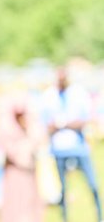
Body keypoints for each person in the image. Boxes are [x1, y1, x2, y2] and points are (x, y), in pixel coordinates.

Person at [42, 67, 102, 222]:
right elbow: (46, 124)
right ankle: (64, 218)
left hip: (78, 147)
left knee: (93, 185)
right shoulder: (49, 95)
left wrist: (65, 124)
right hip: (59, 149)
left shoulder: (78, 93)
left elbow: (85, 120)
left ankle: (99, 215)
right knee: (62, 188)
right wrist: (59, 125)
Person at [0, 95, 45, 222]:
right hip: (15, 174)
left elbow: (39, 140)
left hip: (29, 174)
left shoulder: (30, 128)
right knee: (15, 205)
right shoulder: (8, 129)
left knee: (30, 204)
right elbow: (12, 153)